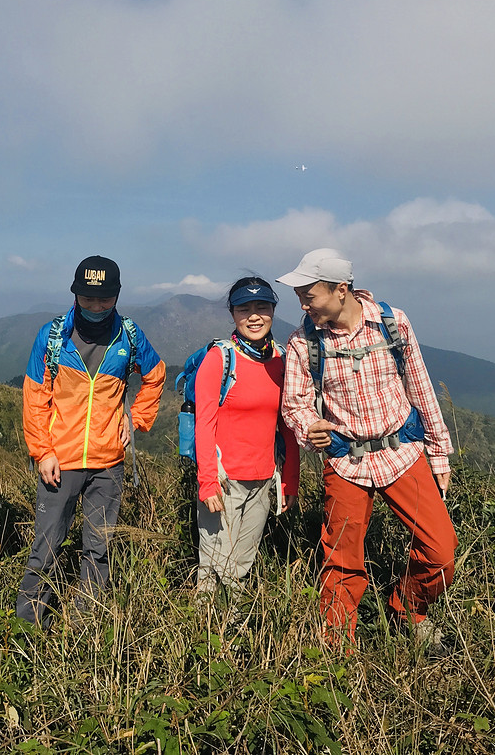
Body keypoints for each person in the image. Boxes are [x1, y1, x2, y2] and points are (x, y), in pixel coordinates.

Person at [277, 249, 457, 645]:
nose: (303, 304)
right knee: (340, 563)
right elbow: (294, 403)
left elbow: (420, 387)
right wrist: (310, 429)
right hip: (345, 460)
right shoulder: (303, 342)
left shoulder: (392, 324)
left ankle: (407, 609)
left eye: (310, 294)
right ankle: (337, 653)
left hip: (403, 452)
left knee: (441, 552)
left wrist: (438, 451)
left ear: (341, 290)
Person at [17, 256, 166, 628]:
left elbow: (156, 374)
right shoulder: (53, 336)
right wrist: (43, 452)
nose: (96, 307)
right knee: (45, 548)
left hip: (108, 462)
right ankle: (28, 629)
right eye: (87, 298)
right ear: (75, 294)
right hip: (60, 461)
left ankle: (88, 627)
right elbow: (35, 396)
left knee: (98, 548)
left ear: (116, 296)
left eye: (104, 299)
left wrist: (136, 420)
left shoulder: (128, 335)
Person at [193, 276, 300, 592]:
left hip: (263, 481)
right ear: (233, 313)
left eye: (261, 307)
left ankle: (234, 634)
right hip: (224, 482)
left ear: (273, 310)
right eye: (244, 309)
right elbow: (204, 423)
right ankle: (209, 634)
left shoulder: (282, 359)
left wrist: (289, 479)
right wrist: (208, 481)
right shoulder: (220, 359)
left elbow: (289, 425)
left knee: (241, 565)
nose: (254, 316)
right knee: (216, 568)